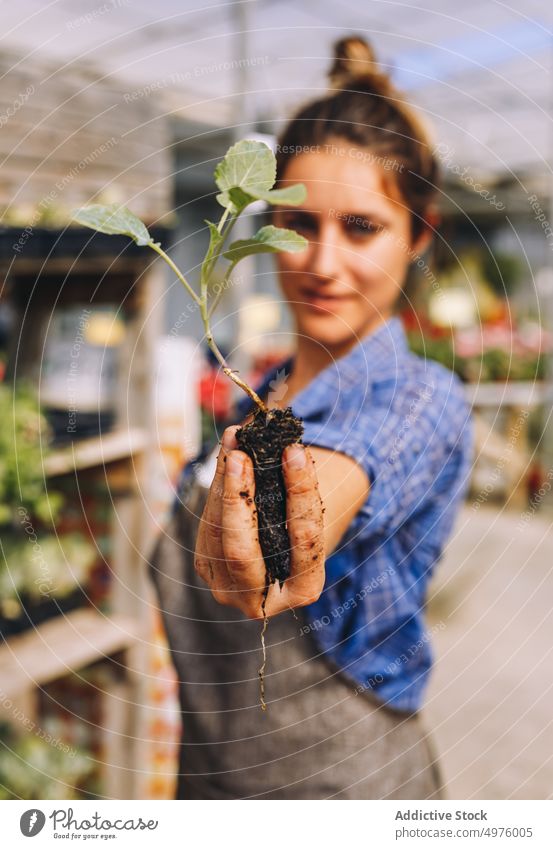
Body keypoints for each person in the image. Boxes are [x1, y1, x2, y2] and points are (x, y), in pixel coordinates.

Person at [150, 35, 473, 800]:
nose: (322, 263)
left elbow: (335, 481)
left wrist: (282, 530)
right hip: (212, 784)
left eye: (360, 227)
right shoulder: (252, 391)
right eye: (300, 225)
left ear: (417, 234)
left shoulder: (422, 400)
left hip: (342, 787)